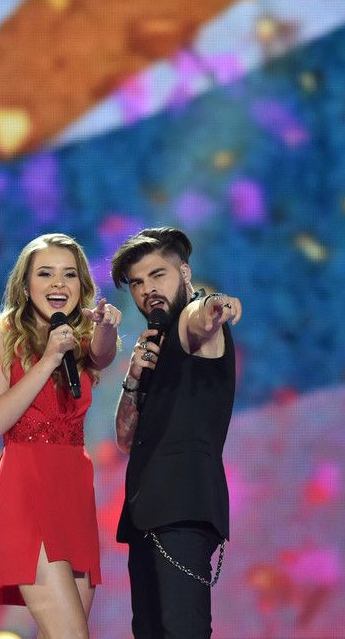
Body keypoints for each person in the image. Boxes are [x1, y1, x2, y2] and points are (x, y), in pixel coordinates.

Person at [0, 233, 122, 638]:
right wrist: (48, 360)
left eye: (69, 274)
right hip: (25, 493)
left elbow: (103, 354)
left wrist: (106, 327)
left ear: (81, 285)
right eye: (45, 273)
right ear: (25, 285)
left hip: (73, 492)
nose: (58, 283)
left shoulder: (79, 337)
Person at [110, 227, 242, 638]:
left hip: (183, 508)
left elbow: (202, 318)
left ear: (184, 273)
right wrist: (134, 376)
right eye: (137, 282)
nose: (147, 289)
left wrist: (215, 305)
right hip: (146, 514)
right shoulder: (156, 344)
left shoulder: (190, 323)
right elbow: (125, 439)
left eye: (158, 275)